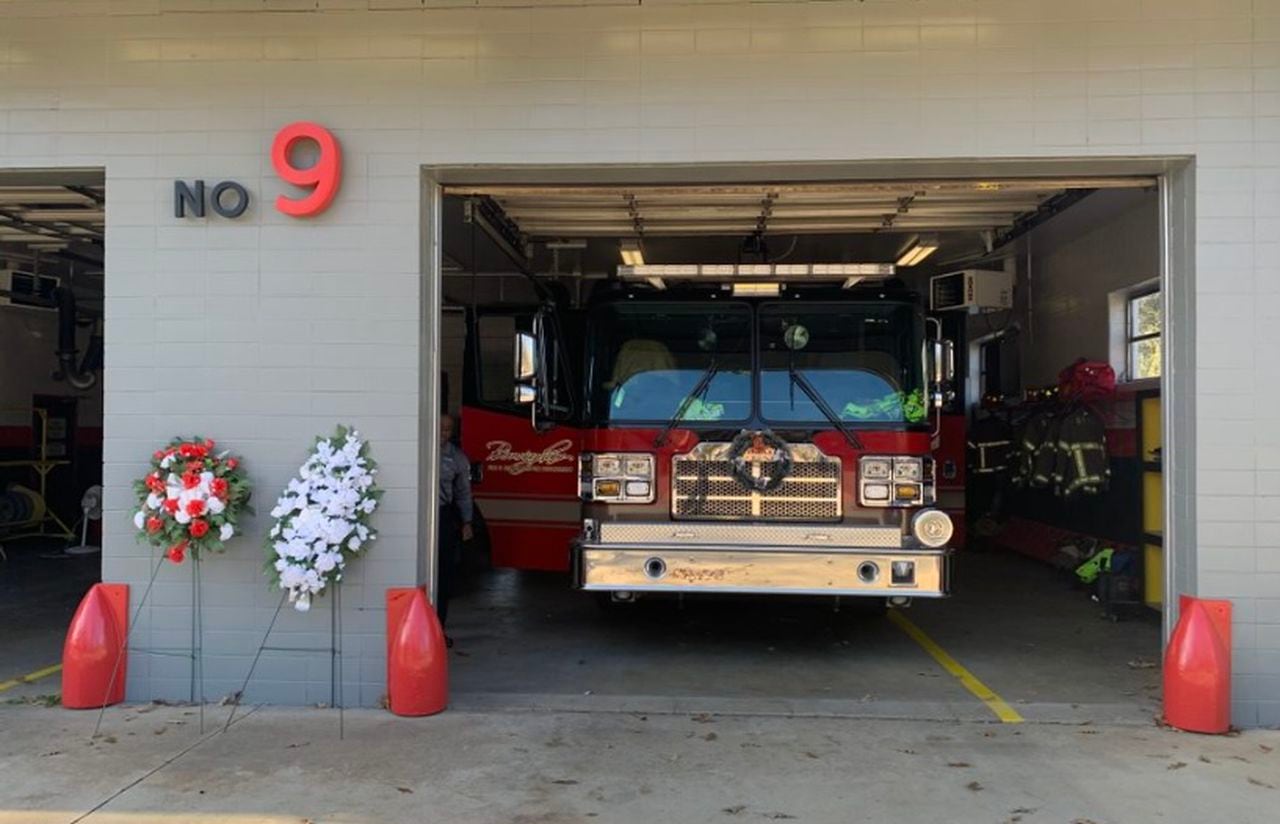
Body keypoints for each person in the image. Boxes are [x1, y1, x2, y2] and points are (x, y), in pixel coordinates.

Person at [436, 413, 473, 642]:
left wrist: (467, 522)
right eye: (439, 427)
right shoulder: (415, 448)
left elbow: (463, 493)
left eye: (448, 429)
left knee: (444, 576)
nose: (443, 433)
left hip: (443, 515)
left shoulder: (457, 458)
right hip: (418, 514)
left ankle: (439, 630)